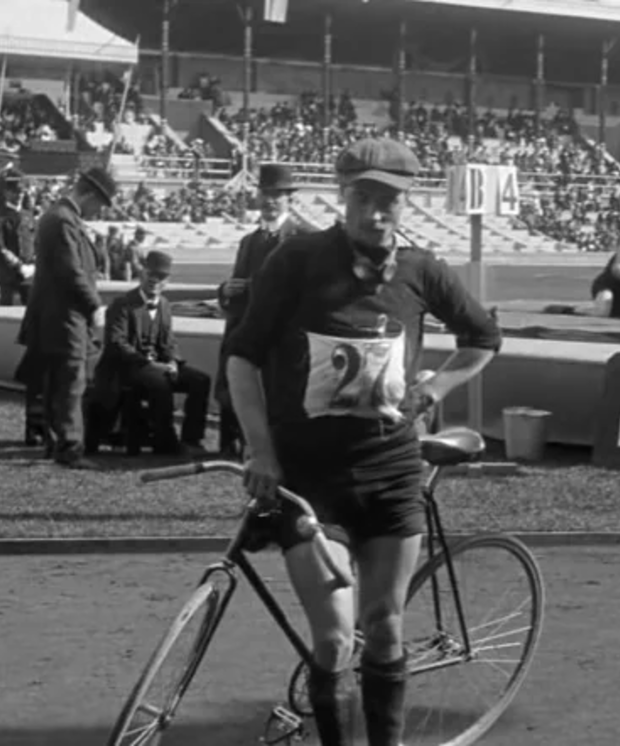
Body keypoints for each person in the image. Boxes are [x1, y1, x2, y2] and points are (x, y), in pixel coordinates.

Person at [224, 138, 502, 746]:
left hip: (391, 470)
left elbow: (482, 337)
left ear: (407, 203)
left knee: (383, 626)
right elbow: (241, 359)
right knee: (331, 639)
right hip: (307, 477)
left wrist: (435, 386)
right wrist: (261, 450)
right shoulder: (296, 261)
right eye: (363, 198)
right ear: (343, 196)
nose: (376, 212)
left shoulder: (423, 269)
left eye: (389, 201)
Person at [17, 166, 116, 469]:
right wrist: (94, 306)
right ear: (88, 194)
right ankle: (70, 448)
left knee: (58, 383)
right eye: (99, 204)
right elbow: (72, 271)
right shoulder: (62, 220)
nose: (98, 211)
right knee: (72, 382)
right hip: (65, 317)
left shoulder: (59, 217)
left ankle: (55, 442)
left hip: (56, 316)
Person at [216, 163, 308, 457]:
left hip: (285, 333)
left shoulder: (304, 237)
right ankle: (240, 445)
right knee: (241, 388)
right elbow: (236, 284)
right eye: (266, 193)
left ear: (289, 199)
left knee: (279, 395)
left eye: (277, 195)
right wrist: (226, 290)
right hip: (249, 330)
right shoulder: (249, 241)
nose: (270, 200)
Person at [93, 250, 211, 456]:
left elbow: (168, 340)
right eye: (151, 275)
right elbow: (117, 343)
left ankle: (192, 439)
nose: (154, 281)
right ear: (142, 273)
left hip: (158, 365)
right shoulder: (122, 304)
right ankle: (166, 442)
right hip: (127, 367)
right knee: (160, 382)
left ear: (167, 281)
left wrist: (174, 361)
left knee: (200, 380)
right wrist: (149, 364)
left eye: (161, 277)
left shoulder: (164, 305)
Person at [0, 166, 36, 306]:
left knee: (31, 314)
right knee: (6, 310)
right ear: (7, 193)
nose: (20, 195)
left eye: (21, 192)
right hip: (8, 274)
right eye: (16, 192)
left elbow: (36, 242)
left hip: (29, 273)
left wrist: (34, 264)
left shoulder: (28, 216)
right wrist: (19, 265)